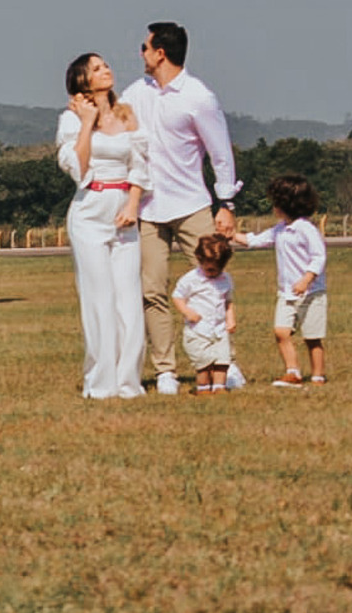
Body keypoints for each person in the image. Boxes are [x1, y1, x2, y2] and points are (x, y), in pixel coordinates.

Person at [122, 22, 242, 396]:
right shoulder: (135, 92)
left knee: (213, 284)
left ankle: (224, 362)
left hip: (191, 204)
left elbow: (220, 152)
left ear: (160, 53)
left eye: (144, 47)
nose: (140, 53)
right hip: (148, 208)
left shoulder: (198, 96)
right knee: (152, 290)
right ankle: (166, 370)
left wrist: (226, 204)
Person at [56, 52, 149, 399]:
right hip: (89, 211)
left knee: (128, 298)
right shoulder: (70, 120)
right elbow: (77, 170)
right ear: (83, 80)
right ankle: (100, 382)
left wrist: (134, 204)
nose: (105, 69)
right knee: (99, 298)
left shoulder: (126, 115)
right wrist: (86, 121)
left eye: (105, 64)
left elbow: (140, 165)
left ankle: (128, 382)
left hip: (124, 210)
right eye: (96, 68)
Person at [232, 174, 329, 387]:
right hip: (287, 293)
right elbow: (256, 240)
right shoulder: (280, 228)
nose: (273, 207)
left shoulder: (306, 229)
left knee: (312, 338)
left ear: (286, 205)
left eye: (275, 203)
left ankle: (318, 376)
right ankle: (292, 372)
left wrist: (307, 279)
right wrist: (231, 235)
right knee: (281, 331)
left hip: (312, 293)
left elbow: (319, 256)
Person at [172, 235, 238, 395]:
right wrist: (188, 312)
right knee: (203, 363)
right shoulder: (191, 279)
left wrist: (230, 319)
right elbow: (177, 297)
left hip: (219, 329)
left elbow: (228, 301)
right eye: (209, 269)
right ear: (200, 260)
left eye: (218, 269)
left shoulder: (225, 279)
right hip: (198, 329)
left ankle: (219, 387)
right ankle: (203, 388)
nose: (213, 273)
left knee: (223, 360)